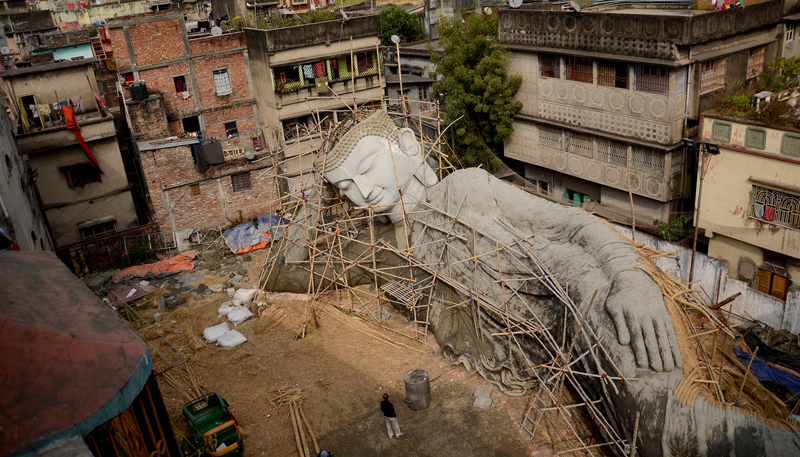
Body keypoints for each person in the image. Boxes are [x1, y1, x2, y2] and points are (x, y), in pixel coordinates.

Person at [263, 110, 800, 456]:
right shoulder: (379, 252)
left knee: (661, 431)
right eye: (345, 187)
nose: (359, 192)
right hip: (545, 349)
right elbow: (284, 273)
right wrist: (319, 191)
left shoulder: (467, 188)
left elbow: (575, 224)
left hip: (576, 293)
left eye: (365, 169)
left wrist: (629, 279)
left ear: (406, 146)